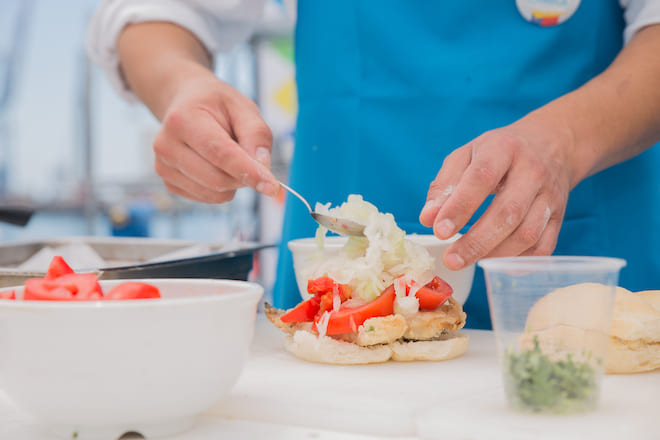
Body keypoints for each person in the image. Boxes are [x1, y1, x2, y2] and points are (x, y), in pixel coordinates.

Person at [88, 1, 660, 329]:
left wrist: (562, 143)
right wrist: (182, 86)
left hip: (582, 267)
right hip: (333, 292)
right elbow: (155, 11)